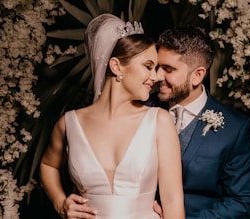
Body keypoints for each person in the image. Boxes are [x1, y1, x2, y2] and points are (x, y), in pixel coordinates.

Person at [40, 13, 185, 219]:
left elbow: (172, 201)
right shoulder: (68, 123)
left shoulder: (159, 121)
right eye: (148, 66)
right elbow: (48, 165)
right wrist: (60, 202)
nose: (155, 77)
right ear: (116, 66)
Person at [152, 26, 250, 218]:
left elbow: (242, 202)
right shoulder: (141, 110)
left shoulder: (235, 128)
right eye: (156, 67)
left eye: (168, 69)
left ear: (198, 75)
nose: (157, 76)